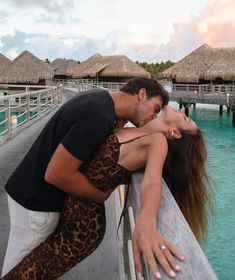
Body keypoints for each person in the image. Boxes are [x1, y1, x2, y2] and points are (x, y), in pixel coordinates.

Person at [1, 105, 212, 280]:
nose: (183, 112)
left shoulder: (157, 141)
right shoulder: (137, 127)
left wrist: (147, 219)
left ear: (174, 133)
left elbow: (152, 181)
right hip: (69, 215)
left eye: (185, 119)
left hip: (80, 232)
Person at [1, 77, 169, 277]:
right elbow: (56, 174)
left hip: (27, 191)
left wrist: (122, 125)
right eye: (156, 108)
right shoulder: (98, 116)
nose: (154, 116)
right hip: (37, 205)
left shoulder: (99, 101)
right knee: (19, 274)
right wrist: (99, 195)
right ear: (142, 94)